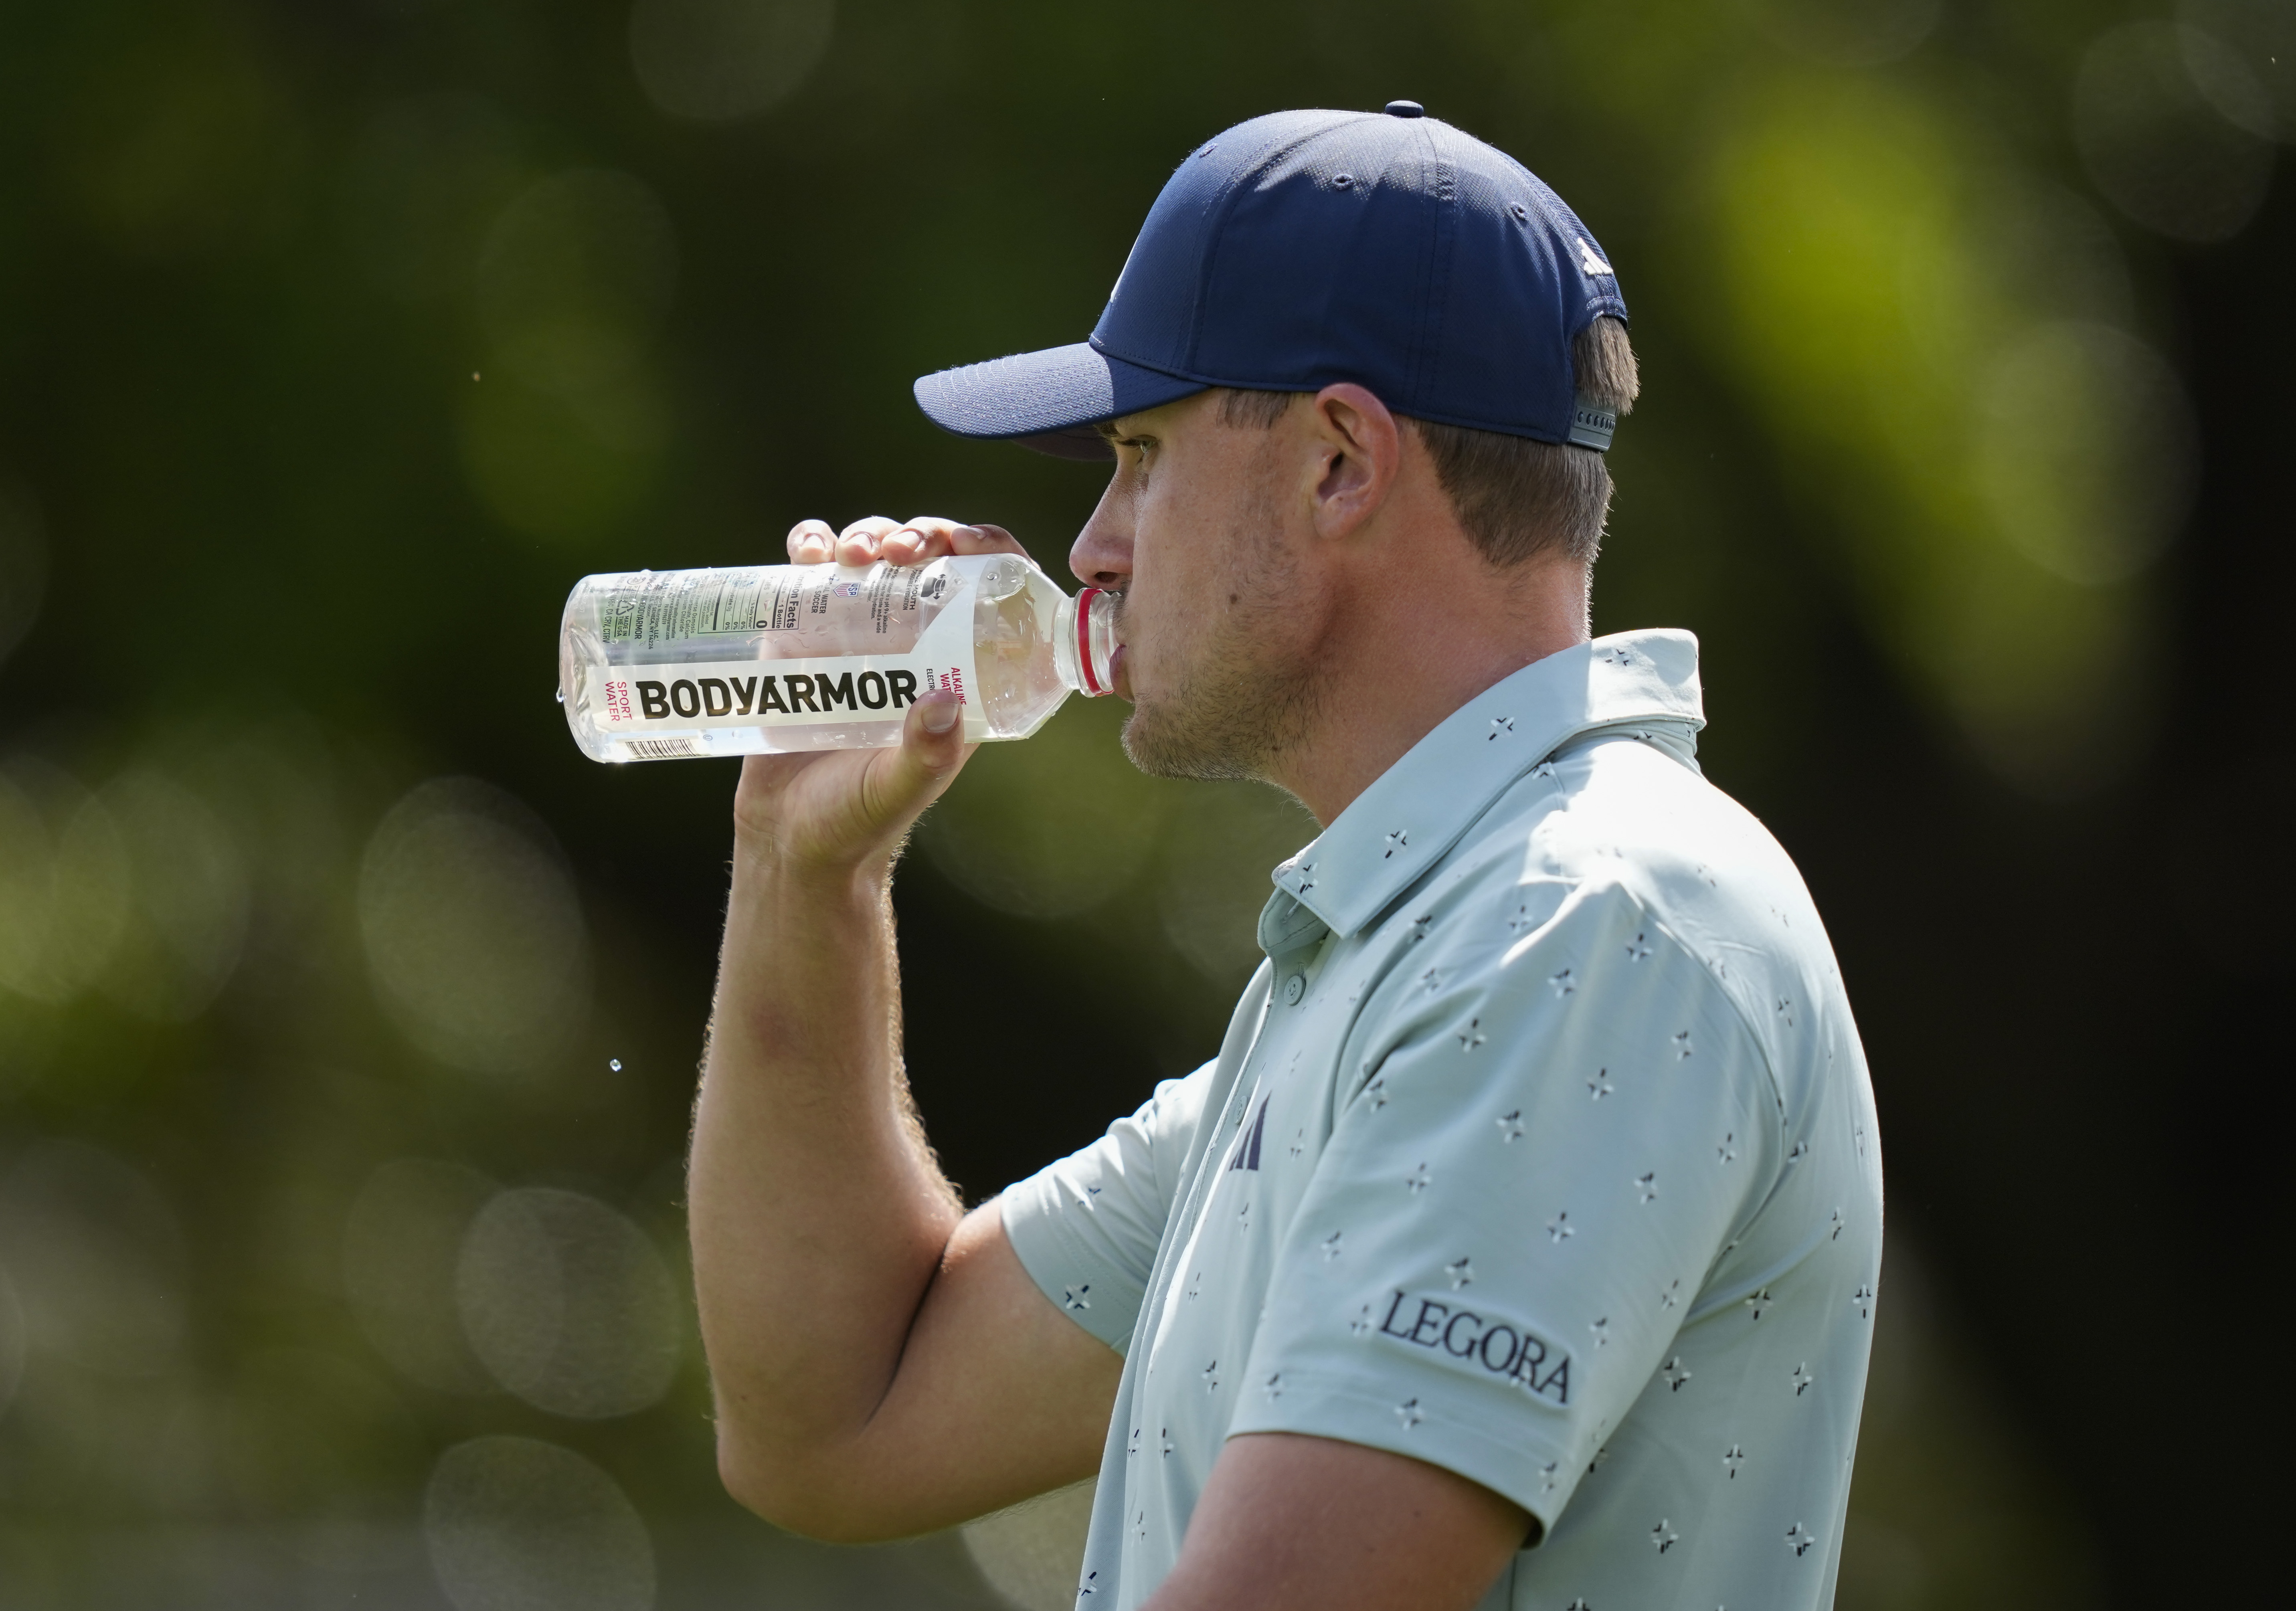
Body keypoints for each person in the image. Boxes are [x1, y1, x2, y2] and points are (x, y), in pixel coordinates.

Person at [686, 105, 1883, 1611]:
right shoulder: (1412, 945)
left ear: (1338, 462)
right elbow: (838, 1419)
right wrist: (807, 873)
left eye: (1139, 456)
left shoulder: (1574, 930)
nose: (1090, 549)